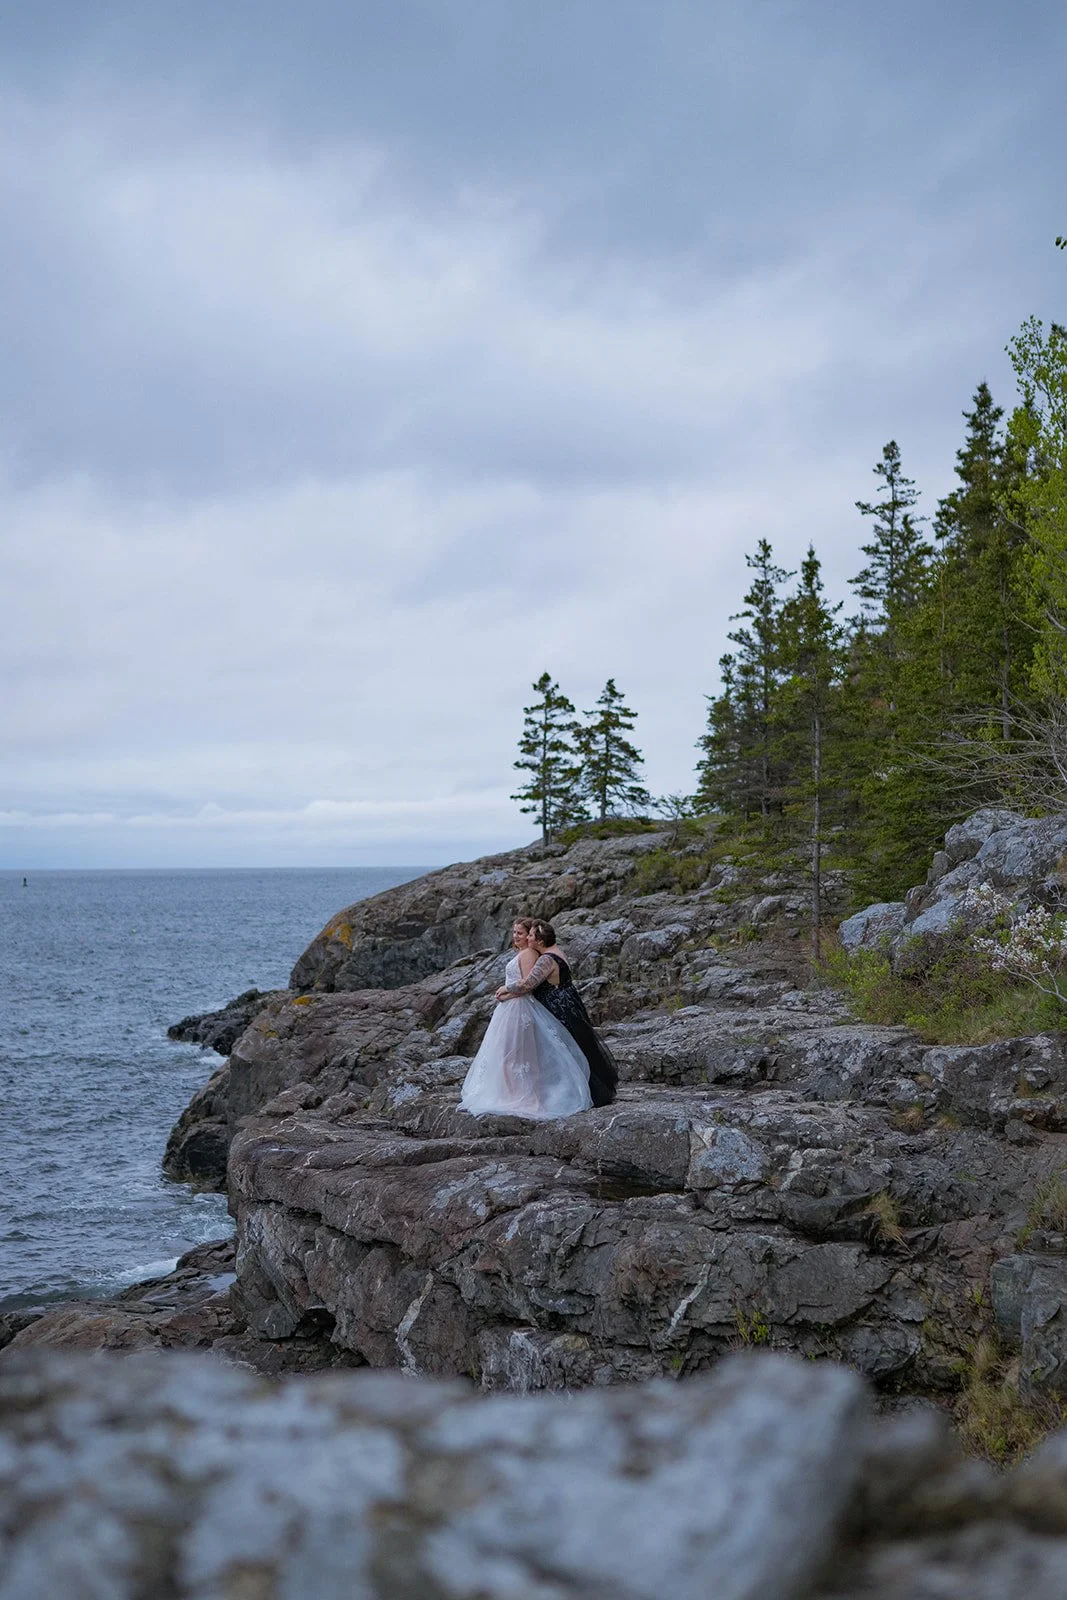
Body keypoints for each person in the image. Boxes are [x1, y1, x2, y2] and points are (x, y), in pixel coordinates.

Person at [458, 918, 594, 1119]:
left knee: (516, 1055)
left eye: (521, 933)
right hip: (510, 1008)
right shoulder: (523, 953)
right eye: (514, 932)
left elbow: (528, 985)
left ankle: (525, 1098)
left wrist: (508, 992)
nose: (516, 936)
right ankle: (511, 1094)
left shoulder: (529, 954)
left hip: (519, 1008)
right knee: (506, 1054)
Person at [496, 920, 618, 1108]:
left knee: (565, 1049)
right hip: (568, 1002)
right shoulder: (556, 952)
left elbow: (528, 983)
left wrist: (506, 988)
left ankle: (577, 1091)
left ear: (540, 941)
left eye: (531, 935)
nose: (528, 938)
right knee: (578, 1045)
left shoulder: (547, 959)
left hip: (558, 1006)